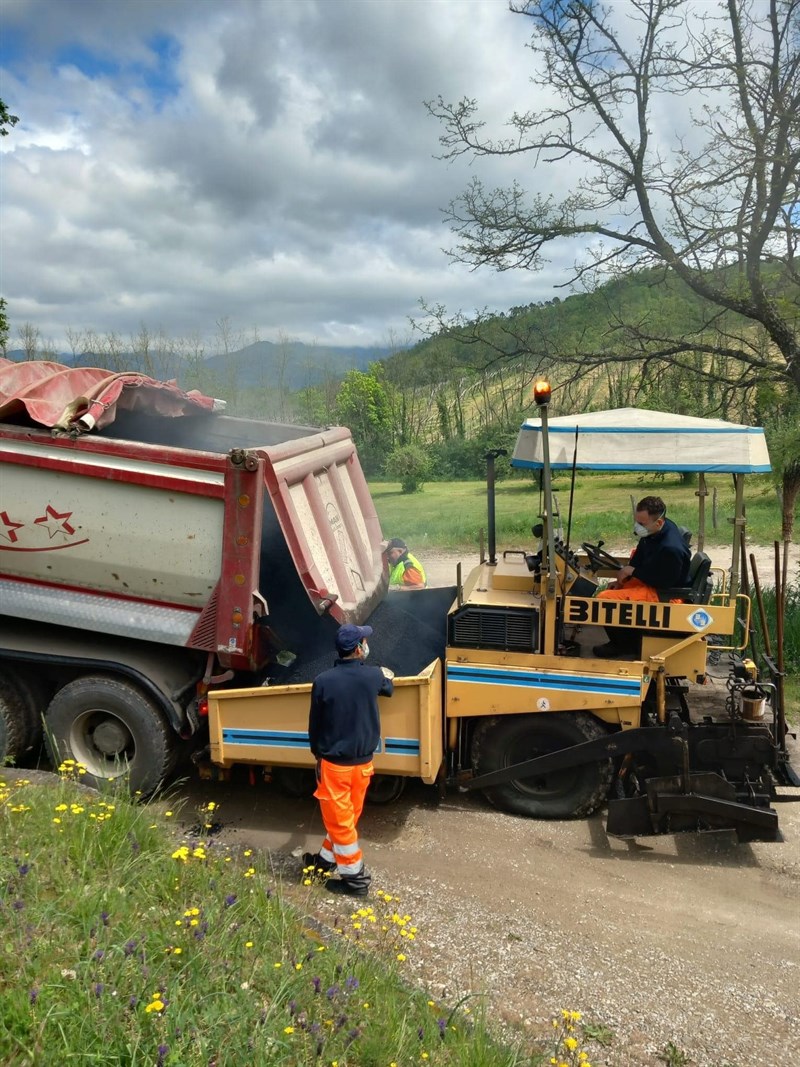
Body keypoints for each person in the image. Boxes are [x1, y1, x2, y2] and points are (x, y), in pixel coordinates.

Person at [303, 623, 394, 896]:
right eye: (364, 641)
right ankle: (323, 864)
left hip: (335, 768)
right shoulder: (373, 676)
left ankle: (356, 881)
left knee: (341, 823)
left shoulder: (323, 681)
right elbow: (388, 688)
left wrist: (317, 753)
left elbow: (314, 725)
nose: (366, 644)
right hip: (364, 766)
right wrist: (386, 674)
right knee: (345, 820)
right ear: (358, 648)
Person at [593, 496, 691, 658]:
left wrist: (633, 572)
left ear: (658, 522)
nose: (637, 527)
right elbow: (642, 551)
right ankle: (628, 639)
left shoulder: (671, 549)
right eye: (637, 522)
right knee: (613, 589)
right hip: (655, 581)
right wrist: (624, 579)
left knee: (604, 600)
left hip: (666, 594)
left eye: (642, 524)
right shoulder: (657, 530)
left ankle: (622, 646)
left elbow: (665, 582)